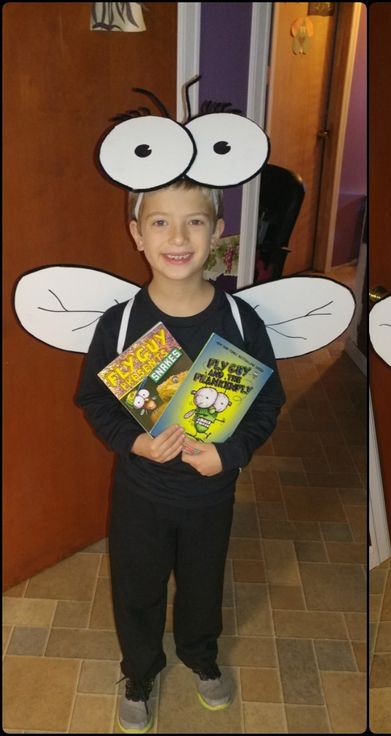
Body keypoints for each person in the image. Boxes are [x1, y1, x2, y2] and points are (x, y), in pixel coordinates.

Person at [76, 178, 286, 733]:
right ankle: (140, 671)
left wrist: (232, 454)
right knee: (137, 586)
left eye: (194, 221)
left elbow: (269, 401)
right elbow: (93, 399)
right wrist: (134, 442)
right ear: (137, 235)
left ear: (217, 233)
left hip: (210, 493)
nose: (177, 235)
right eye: (159, 221)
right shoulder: (120, 325)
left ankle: (200, 653)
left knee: (202, 583)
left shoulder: (240, 322)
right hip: (140, 492)